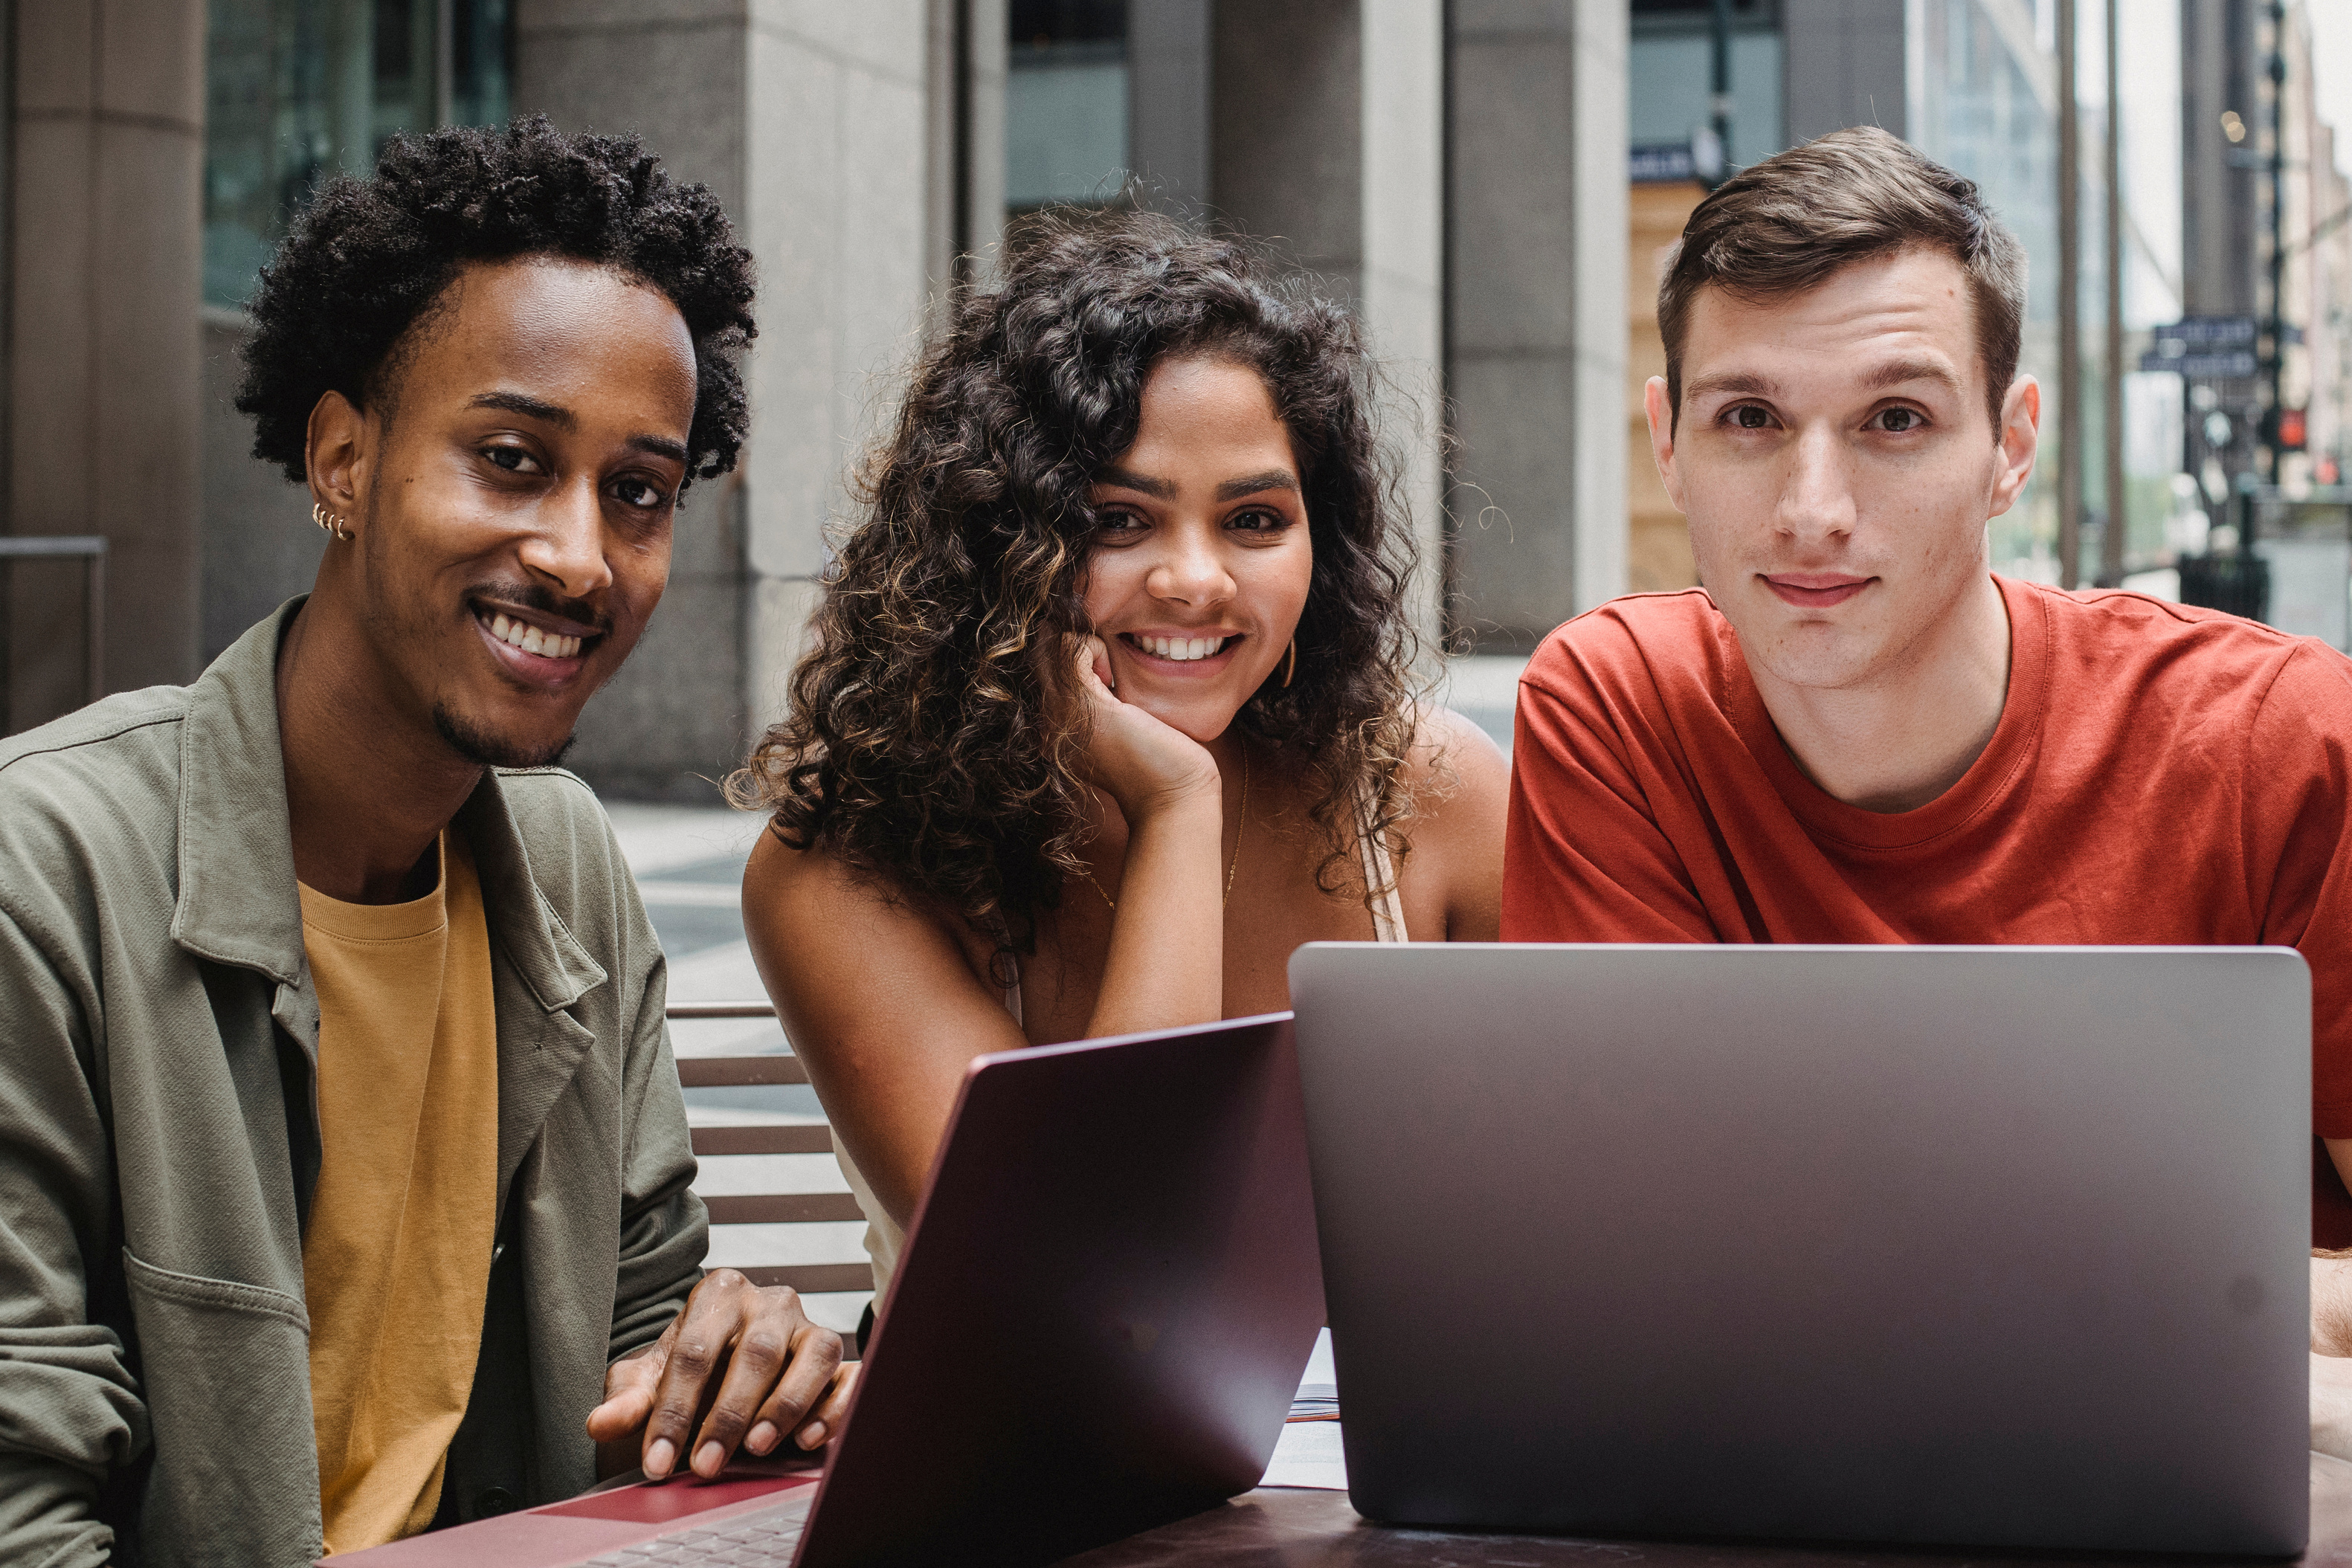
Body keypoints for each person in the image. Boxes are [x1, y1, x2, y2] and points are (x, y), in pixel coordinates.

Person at [0, 120, 849, 1567]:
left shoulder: (564, 861)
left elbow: (636, 1355)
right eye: (512, 459)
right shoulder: (47, 867)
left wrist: (731, 1366)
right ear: (341, 457)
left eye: (637, 492)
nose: (582, 554)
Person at [1498, 124, 2352, 1430]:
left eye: (1895, 419)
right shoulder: (1616, 708)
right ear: (1668, 439)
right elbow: (1630, 1264)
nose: (1812, 508)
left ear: (2011, 446)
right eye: (1751, 419)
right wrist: (2161, 1296)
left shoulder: (2285, 737)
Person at [732, 212, 1508, 1309]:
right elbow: (1100, 1293)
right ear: (1000, 538)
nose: (1196, 581)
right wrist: (1174, 806)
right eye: (1118, 520)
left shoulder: (1432, 796)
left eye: (1253, 518)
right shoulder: (847, 872)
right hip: (1035, 1471)